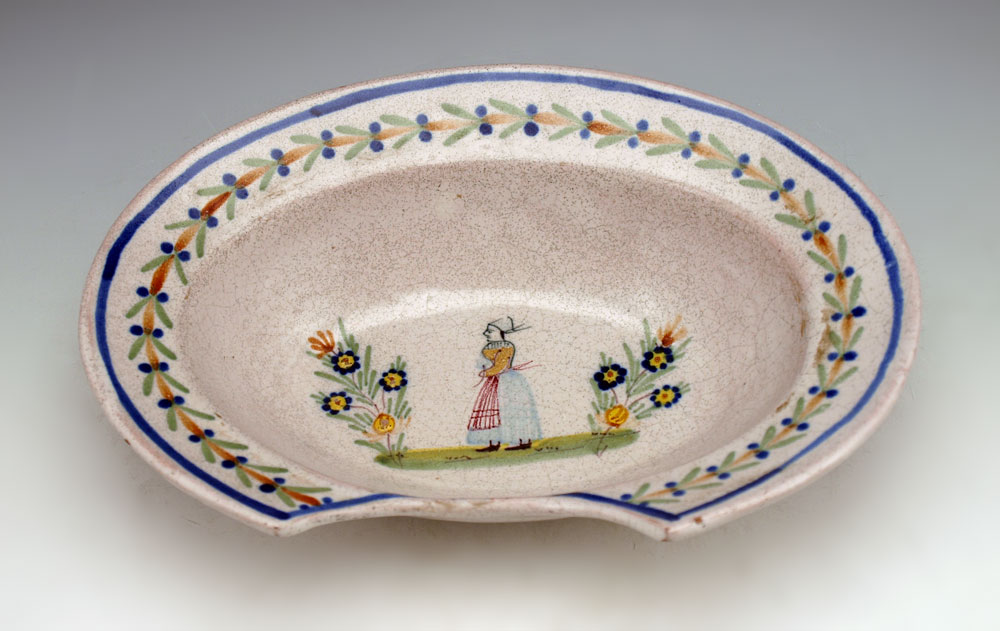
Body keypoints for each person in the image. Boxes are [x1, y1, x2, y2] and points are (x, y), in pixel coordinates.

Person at [466, 317, 542, 452]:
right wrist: (485, 369)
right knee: (493, 410)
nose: (485, 333)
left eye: (490, 331)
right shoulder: (488, 347)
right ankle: (494, 442)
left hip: (508, 382)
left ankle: (522, 440)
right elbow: (481, 363)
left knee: (511, 410)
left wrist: (486, 372)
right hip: (494, 382)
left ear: (500, 332)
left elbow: (500, 365)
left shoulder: (507, 346)